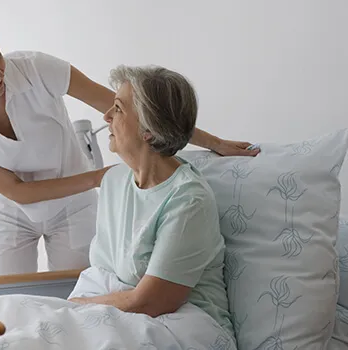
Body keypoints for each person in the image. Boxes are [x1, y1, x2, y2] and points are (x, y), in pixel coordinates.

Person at [0, 11, 259, 277]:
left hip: (72, 206)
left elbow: (138, 112)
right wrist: (98, 177)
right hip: (9, 213)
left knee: (77, 293)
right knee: (4, 302)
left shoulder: (37, 68)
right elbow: (16, 191)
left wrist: (214, 141)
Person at [68, 64, 235, 339]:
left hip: (183, 327)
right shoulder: (115, 181)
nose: (107, 116)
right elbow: (104, 274)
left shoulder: (188, 199)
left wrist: (72, 308)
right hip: (117, 313)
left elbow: (152, 302)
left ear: (149, 130)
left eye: (118, 109)